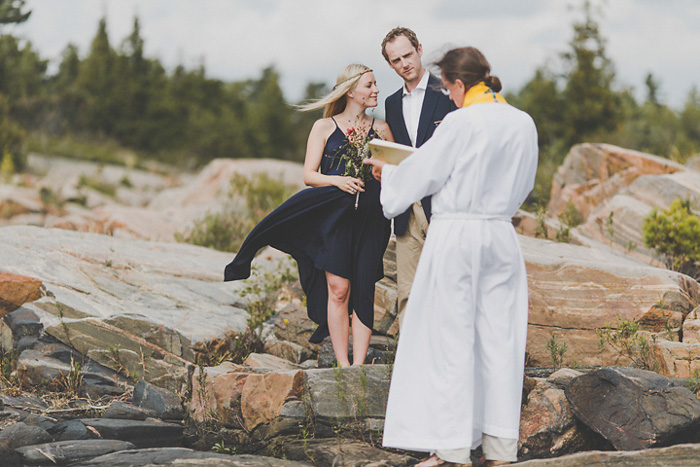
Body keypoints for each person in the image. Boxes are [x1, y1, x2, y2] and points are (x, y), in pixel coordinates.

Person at [365, 47, 538, 466]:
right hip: (500, 233)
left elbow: (422, 174)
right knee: (501, 340)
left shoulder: (461, 122)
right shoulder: (522, 121)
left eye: (448, 87)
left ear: (459, 83)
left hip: (458, 233)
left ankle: (454, 448)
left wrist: (389, 174)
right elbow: (527, 181)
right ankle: (500, 449)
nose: (449, 96)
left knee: (450, 337)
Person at [224, 64, 393, 368]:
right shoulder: (324, 127)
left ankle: (359, 366)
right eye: (369, 85)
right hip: (334, 220)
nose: (376, 90)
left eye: (375, 84)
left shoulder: (381, 129)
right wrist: (337, 180)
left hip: (371, 218)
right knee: (340, 290)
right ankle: (343, 365)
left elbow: (390, 173)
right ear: (350, 90)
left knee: (365, 287)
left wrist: (383, 174)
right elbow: (308, 175)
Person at [381, 27, 456, 329]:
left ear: (420, 49)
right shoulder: (390, 104)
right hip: (406, 211)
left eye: (408, 55)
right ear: (390, 65)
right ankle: (410, 368)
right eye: (396, 60)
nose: (404, 64)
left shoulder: (449, 92)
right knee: (408, 293)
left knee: (447, 287)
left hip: (443, 206)